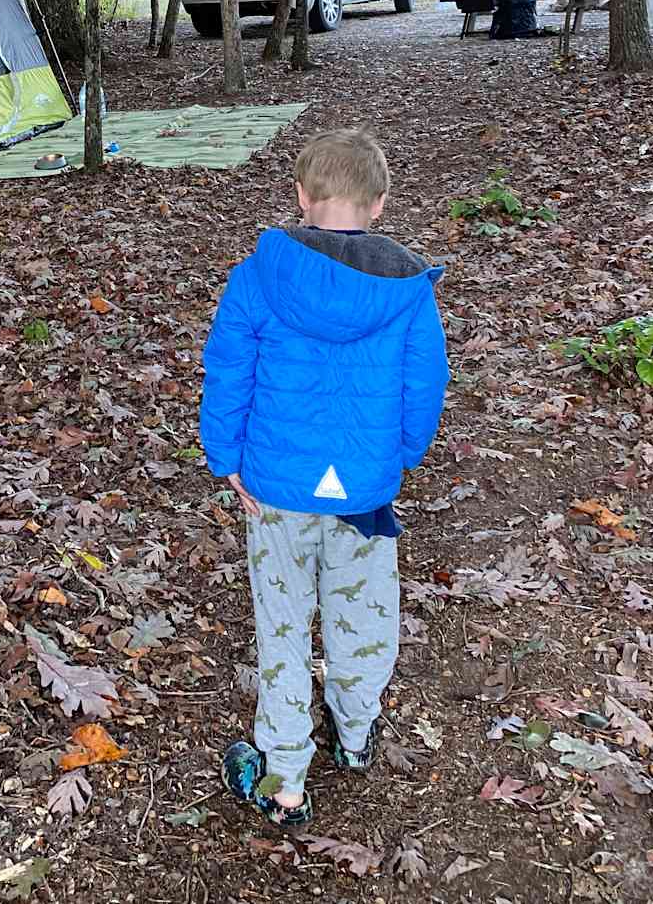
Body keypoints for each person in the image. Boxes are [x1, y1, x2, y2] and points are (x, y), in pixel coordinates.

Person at [199, 127, 449, 825]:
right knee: (364, 612)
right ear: (379, 204)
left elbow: (228, 370)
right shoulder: (406, 288)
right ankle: (356, 732)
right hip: (362, 490)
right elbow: (425, 382)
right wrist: (400, 453)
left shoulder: (258, 275)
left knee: (282, 625)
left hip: (278, 487)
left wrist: (226, 458)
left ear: (302, 197)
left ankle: (284, 778)